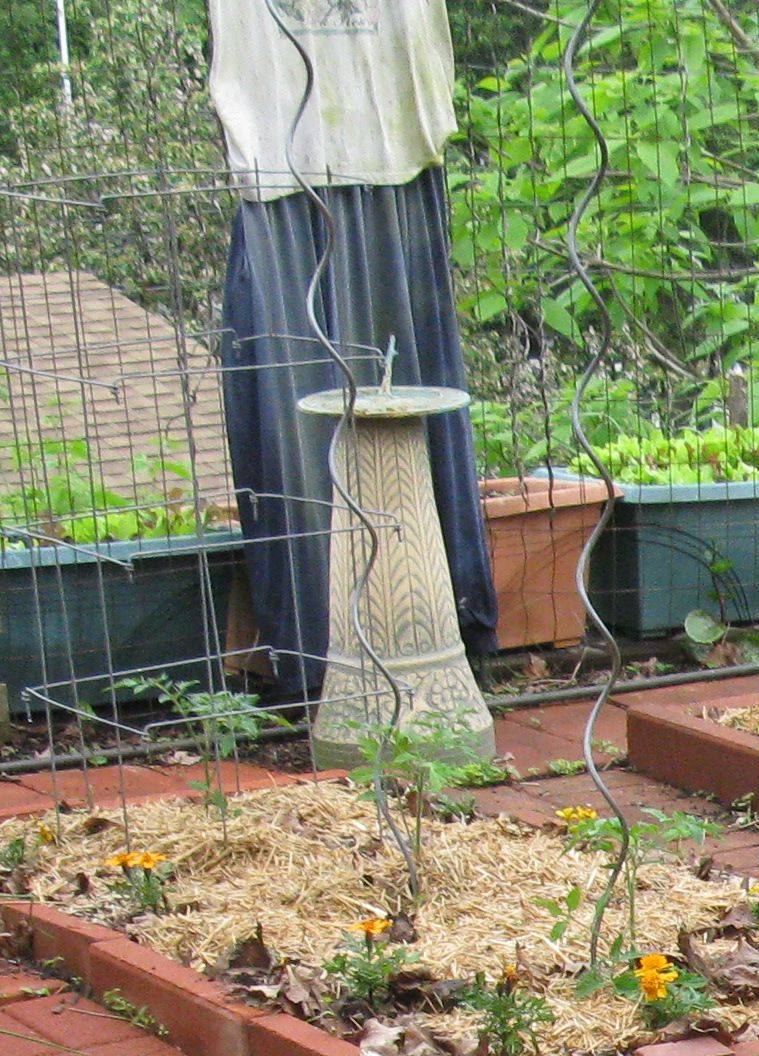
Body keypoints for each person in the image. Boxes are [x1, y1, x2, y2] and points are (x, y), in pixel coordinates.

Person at [209, 0, 496, 704]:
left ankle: (438, 633)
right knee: (295, 429)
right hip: (278, 170)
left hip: (391, 153)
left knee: (407, 402)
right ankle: (324, 656)